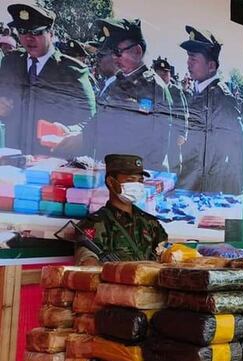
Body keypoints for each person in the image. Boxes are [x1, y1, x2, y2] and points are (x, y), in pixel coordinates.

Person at [56, 18, 174, 171]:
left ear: (137, 51)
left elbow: (159, 144)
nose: (114, 58)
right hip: (108, 170)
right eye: (112, 53)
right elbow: (98, 121)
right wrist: (71, 132)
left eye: (118, 53)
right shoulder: (115, 84)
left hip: (138, 175)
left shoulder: (155, 88)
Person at [0, 3, 95, 154]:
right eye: (22, 31)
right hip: (14, 156)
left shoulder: (72, 71)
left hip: (53, 160)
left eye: (36, 32)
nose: (29, 38)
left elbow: (89, 121)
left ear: (51, 33)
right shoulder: (10, 63)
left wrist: (67, 130)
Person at [178, 25, 243, 194]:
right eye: (188, 58)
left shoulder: (222, 97)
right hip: (193, 182)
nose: (188, 63)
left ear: (211, 66)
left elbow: (236, 149)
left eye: (193, 59)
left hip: (211, 188)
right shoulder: (198, 92)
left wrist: (229, 194)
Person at [75, 154, 167, 265]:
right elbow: (87, 262)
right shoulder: (94, 223)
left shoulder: (151, 223)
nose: (137, 185)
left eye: (140, 181)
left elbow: (166, 255)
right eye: (130, 180)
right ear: (111, 182)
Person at [152, 55, 189, 166]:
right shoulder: (152, 88)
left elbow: (183, 113)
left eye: (165, 73)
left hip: (173, 133)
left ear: (170, 74)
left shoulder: (175, 91)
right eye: (159, 74)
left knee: (174, 162)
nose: (162, 76)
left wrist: (183, 134)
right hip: (156, 133)